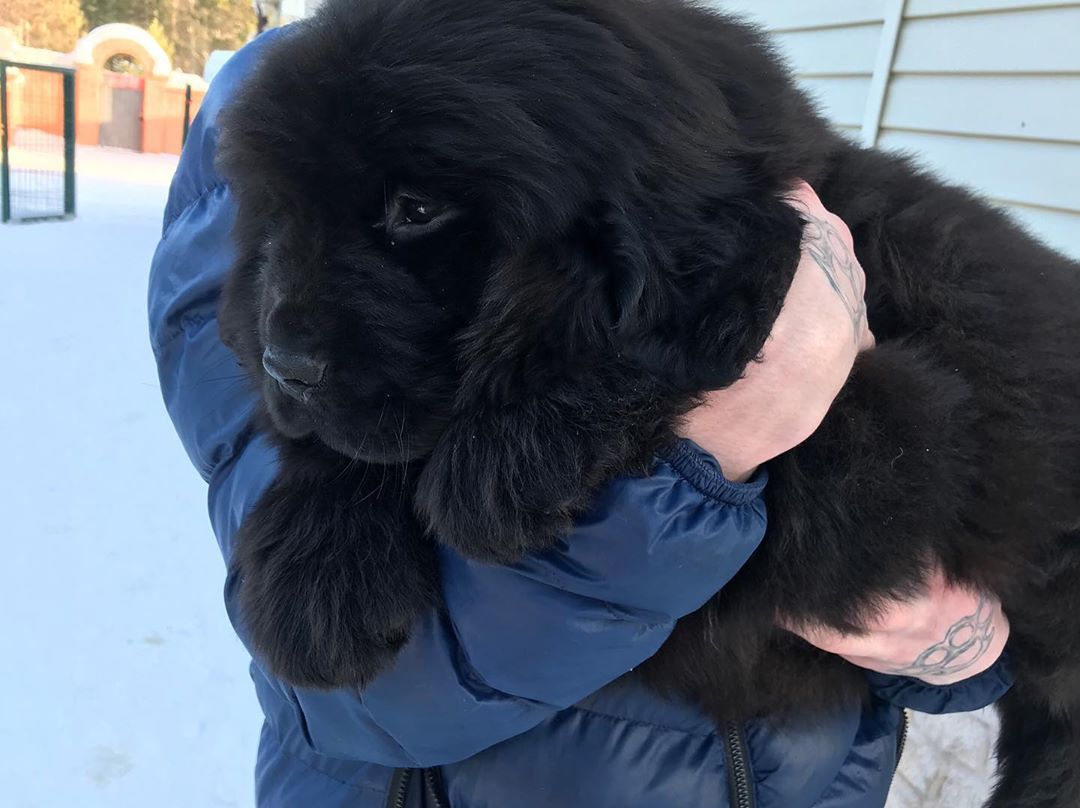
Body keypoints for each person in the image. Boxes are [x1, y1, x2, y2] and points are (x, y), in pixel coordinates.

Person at [148, 31, 1012, 808]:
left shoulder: (689, 89)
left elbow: (970, 523)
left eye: (414, 215)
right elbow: (349, 672)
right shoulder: (288, 93)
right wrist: (698, 461)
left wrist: (964, 648)